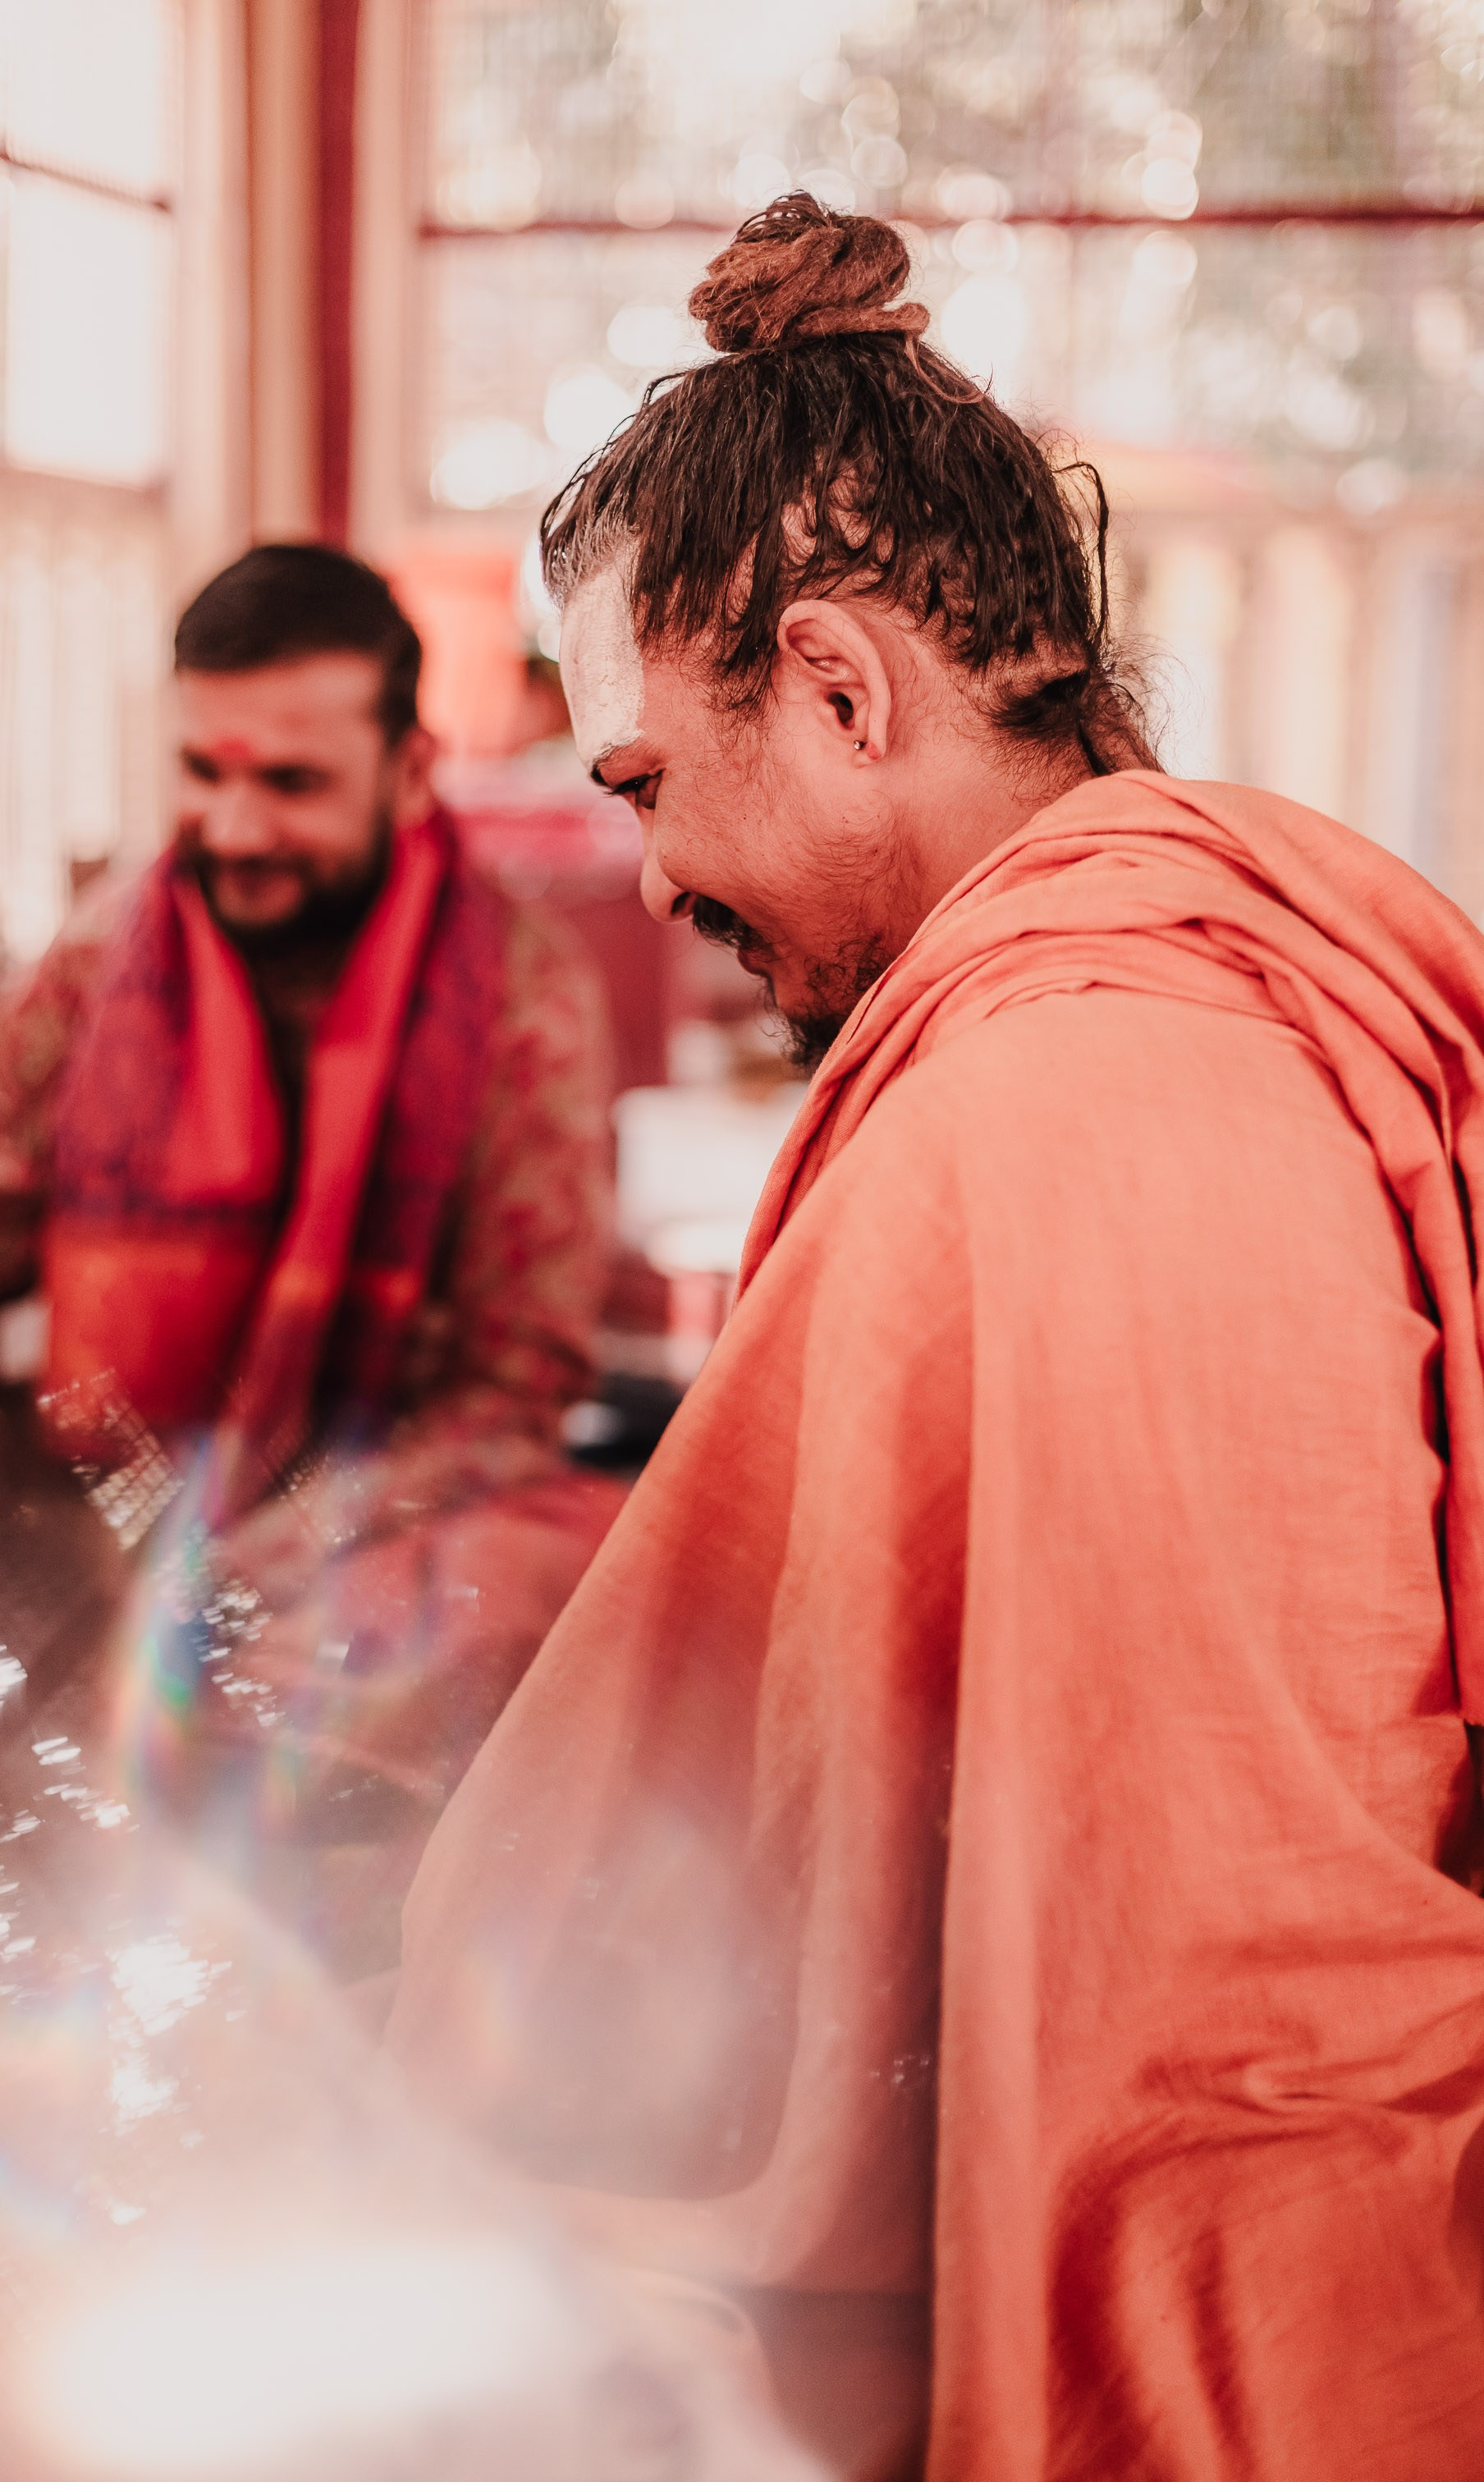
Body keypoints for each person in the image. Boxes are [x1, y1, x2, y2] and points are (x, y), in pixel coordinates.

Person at [386, 196, 1484, 2480]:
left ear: (843, 686)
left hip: (1253, 2329)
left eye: (647, 787)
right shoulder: (1257, 993)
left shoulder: (1047, 1108)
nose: (657, 889)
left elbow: (1138, 1955)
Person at [0, 543, 621, 1816]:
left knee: (583, 1586)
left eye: (290, 783)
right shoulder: (92, 968)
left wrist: (248, 1560)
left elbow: (515, 1394)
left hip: (367, 1540)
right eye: (203, 773)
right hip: (88, 1512)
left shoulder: (525, 999)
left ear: (408, 774)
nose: (235, 829)